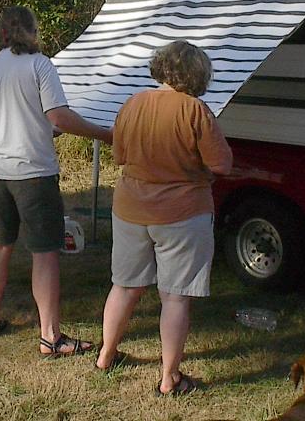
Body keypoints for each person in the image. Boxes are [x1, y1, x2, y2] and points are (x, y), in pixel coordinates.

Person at [94, 40, 232, 396]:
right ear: (198, 74)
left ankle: (106, 356)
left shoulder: (133, 103)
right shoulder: (195, 110)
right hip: (183, 212)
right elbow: (222, 164)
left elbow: (120, 155)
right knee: (174, 297)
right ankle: (169, 378)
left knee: (124, 286)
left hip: (130, 208)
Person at [0, 5, 113, 352]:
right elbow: (60, 117)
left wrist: (42, 129)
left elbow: (11, 117)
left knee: (0, 245)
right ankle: (51, 337)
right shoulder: (40, 65)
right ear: (32, 31)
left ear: (4, 32)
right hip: (33, 172)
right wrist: (104, 133)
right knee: (45, 252)